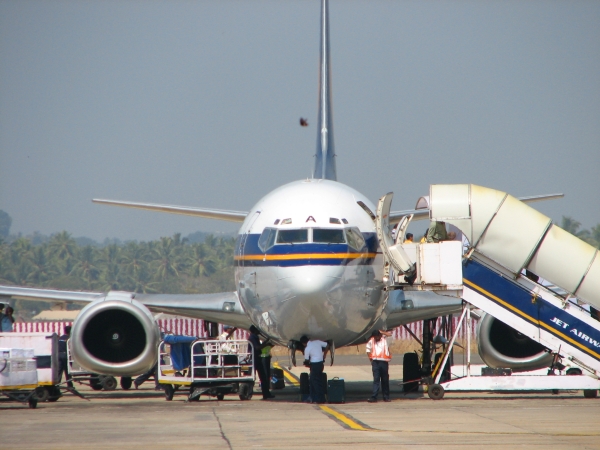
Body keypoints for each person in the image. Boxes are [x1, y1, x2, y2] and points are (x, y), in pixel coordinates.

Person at [248, 325, 275, 400]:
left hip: (257, 359)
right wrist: (266, 343)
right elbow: (257, 347)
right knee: (258, 378)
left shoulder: (254, 337)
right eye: (258, 330)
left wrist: (266, 341)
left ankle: (266, 393)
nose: (259, 331)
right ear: (255, 330)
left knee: (263, 377)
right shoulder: (253, 337)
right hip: (255, 359)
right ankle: (250, 393)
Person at [366, 330, 392, 403]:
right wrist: (370, 359)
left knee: (385, 380)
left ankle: (386, 397)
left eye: (377, 336)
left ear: (380, 335)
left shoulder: (385, 340)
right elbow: (367, 349)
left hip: (384, 362)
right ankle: (374, 397)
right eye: (375, 337)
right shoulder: (372, 340)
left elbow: (390, 335)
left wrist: (382, 332)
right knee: (376, 380)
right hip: (375, 362)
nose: (376, 338)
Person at [301, 335, 328, 403]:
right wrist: (324, 355)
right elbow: (327, 345)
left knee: (315, 383)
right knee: (314, 381)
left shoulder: (307, 349)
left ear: (303, 343)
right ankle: (312, 397)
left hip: (314, 365)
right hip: (320, 364)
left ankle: (320, 399)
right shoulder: (317, 342)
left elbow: (307, 360)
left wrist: (307, 365)